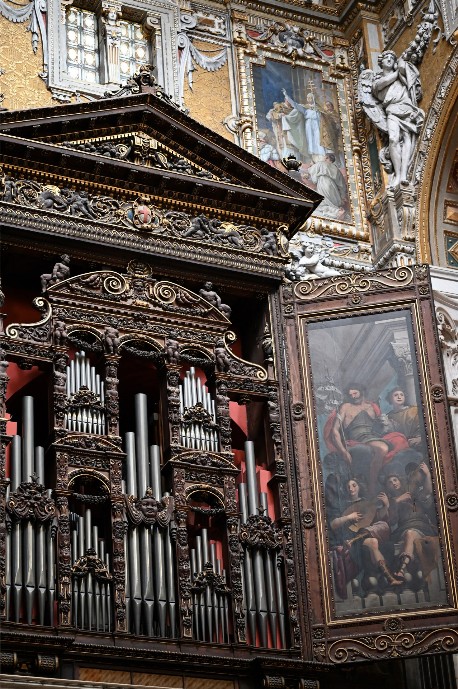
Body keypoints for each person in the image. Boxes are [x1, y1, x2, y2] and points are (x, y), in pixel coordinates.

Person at [324, 383, 409, 493]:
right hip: (358, 438)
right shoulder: (345, 407)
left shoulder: (372, 406)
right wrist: (343, 451)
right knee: (382, 448)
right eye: (350, 394)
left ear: (361, 392)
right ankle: (372, 485)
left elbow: (382, 426)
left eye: (355, 393)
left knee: (400, 440)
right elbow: (335, 430)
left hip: (374, 437)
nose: (353, 396)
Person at [329, 477, 401, 594]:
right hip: (351, 537)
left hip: (366, 533)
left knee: (380, 528)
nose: (351, 488)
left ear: (359, 487)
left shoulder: (366, 503)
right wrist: (349, 517)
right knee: (373, 541)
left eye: (354, 485)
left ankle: (389, 578)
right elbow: (333, 524)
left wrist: (386, 506)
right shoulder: (342, 505)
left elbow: (378, 518)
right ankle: (390, 578)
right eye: (348, 487)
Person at [370, 50, 424, 187]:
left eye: (392, 57)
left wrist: (400, 67)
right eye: (386, 57)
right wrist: (397, 74)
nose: (389, 59)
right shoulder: (377, 79)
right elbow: (379, 85)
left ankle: (403, 174)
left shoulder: (401, 75)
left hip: (405, 106)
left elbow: (410, 76)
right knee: (393, 139)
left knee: (407, 137)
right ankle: (398, 174)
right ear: (381, 62)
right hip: (392, 110)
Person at [379, 461, 437, 581]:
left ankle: (402, 569)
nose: (393, 483)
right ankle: (404, 568)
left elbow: (427, 492)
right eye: (390, 482)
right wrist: (395, 501)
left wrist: (427, 475)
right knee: (408, 533)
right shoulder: (391, 501)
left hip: (421, 526)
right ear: (387, 487)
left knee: (410, 533)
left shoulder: (412, 492)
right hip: (403, 529)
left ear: (400, 481)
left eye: (395, 480)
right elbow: (390, 520)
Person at [303, 153, 349, 220]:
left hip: (323, 183)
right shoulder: (336, 169)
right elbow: (341, 184)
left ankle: (334, 212)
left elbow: (310, 171)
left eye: (325, 157)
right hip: (333, 187)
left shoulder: (321, 163)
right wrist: (342, 196)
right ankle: (336, 212)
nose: (324, 158)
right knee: (331, 202)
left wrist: (306, 174)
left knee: (322, 202)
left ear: (327, 158)